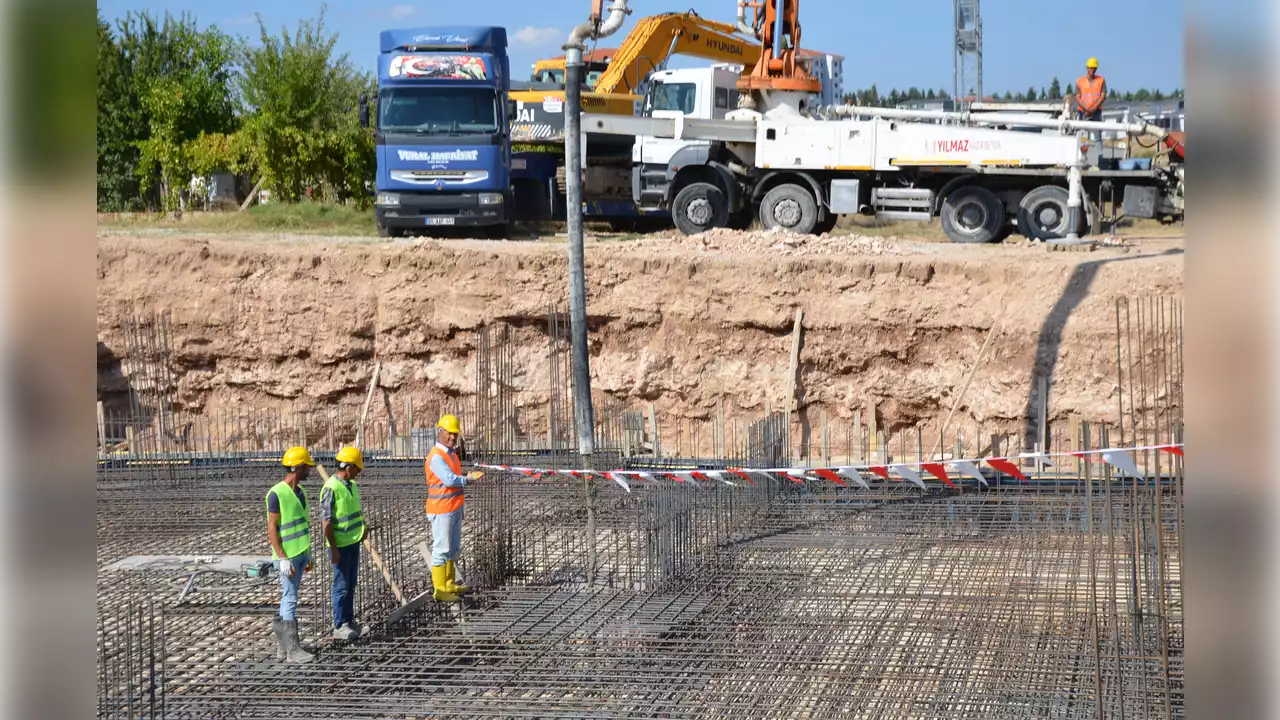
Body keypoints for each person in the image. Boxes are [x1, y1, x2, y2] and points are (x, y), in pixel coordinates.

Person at [424, 414, 483, 602]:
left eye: (455, 435)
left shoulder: (451, 454)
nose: (452, 438)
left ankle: (449, 583)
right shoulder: (436, 456)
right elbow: (449, 479)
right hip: (441, 509)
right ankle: (439, 588)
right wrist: (468, 479)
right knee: (441, 548)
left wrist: (466, 477)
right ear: (440, 432)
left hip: (454, 507)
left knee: (453, 547)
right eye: (449, 434)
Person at [266, 446, 316, 664]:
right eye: (306, 467)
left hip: (300, 552)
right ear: (297, 468)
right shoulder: (276, 493)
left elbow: (303, 524)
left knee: (288, 597)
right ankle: (292, 650)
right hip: (287, 555)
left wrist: (308, 554)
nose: (309, 470)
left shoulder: (301, 492)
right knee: (290, 598)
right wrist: (282, 557)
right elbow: (272, 528)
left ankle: (283, 648)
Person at [322, 446, 366, 641]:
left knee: (351, 584)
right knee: (341, 585)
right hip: (339, 546)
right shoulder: (331, 488)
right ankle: (339, 625)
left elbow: (353, 514)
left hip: (353, 542)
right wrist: (333, 548)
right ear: (347, 467)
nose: (359, 472)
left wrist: (362, 530)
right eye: (357, 468)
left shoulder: (352, 485)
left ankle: (349, 621)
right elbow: (326, 521)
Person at [1075, 57, 1108, 122]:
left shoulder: (1101, 80)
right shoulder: (1079, 81)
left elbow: (1103, 96)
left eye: (1094, 68)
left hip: (1096, 112)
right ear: (1087, 68)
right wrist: (1087, 109)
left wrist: (1093, 109)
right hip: (1083, 112)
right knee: (1082, 131)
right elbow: (1077, 98)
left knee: (1096, 131)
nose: (1093, 70)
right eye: (1091, 68)